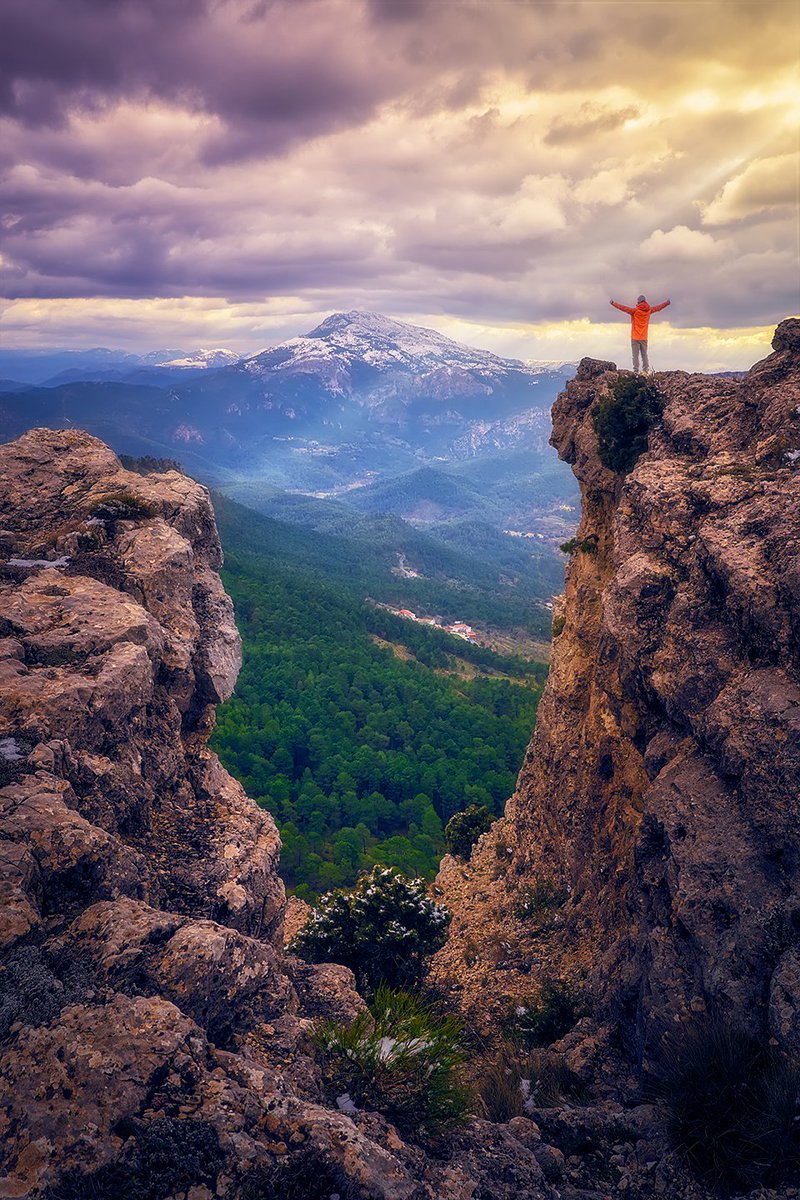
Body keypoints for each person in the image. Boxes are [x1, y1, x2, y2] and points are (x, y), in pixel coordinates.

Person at [609, 294, 671, 373]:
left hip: (635, 337)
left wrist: (613, 303)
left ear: (638, 302)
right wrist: (667, 303)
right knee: (644, 355)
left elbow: (623, 308)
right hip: (644, 337)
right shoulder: (649, 310)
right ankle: (645, 371)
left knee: (635, 356)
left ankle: (636, 371)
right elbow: (658, 308)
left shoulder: (634, 311)